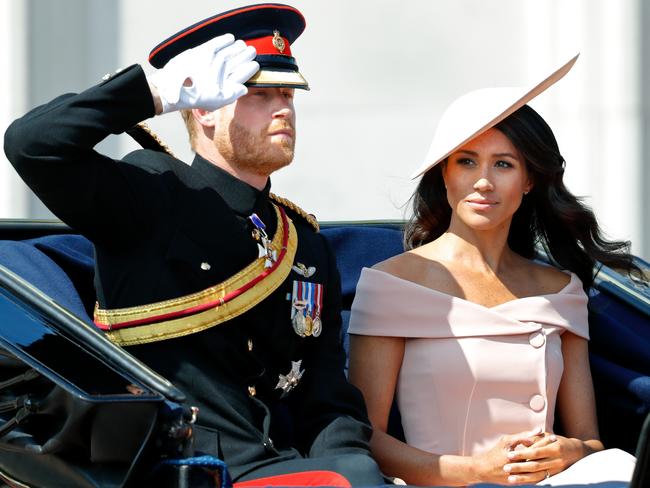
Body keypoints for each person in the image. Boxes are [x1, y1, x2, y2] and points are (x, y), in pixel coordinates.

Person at [4, 4, 383, 486]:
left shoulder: (303, 244)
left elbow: (326, 396)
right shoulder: (152, 193)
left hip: (283, 468)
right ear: (204, 106)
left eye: (288, 93)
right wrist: (154, 92)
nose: (283, 108)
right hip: (182, 468)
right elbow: (33, 144)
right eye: (260, 94)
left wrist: (349, 466)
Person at [348, 54, 642, 486]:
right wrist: (473, 471)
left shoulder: (562, 289)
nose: (483, 180)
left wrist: (571, 450)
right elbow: (363, 438)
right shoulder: (392, 283)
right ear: (444, 174)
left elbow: (589, 440)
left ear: (528, 181)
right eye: (466, 161)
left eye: (503, 164)